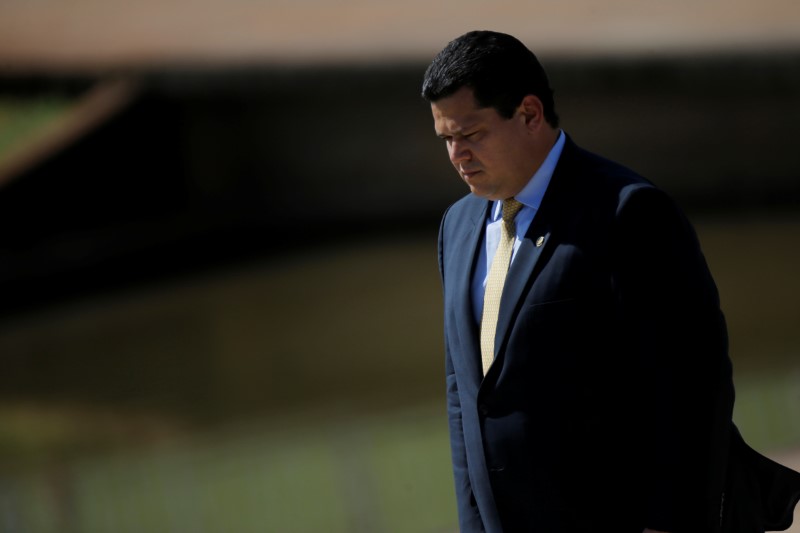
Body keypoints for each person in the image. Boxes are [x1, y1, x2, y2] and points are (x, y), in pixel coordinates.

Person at [422, 30, 800, 533]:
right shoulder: (458, 226)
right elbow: (463, 395)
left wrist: (666, 525)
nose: (457, 155)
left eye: (470, 135)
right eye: (446, 139)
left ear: (530, 114)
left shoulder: (629, 212)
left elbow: (692, 389)